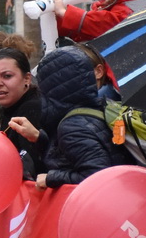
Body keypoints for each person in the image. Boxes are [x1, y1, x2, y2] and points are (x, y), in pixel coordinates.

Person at [32, 47, 126, 189]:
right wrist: (40, 139)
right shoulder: (104, 107)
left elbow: (96, 176)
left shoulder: (72, 127)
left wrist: (51, 178)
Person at [0, 47, 46, 178]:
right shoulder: (7, 107)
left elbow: (29, 168)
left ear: (27, 79)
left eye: (7, 76)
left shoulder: (32, 108)